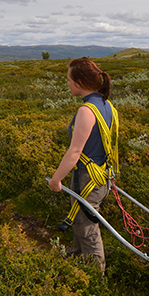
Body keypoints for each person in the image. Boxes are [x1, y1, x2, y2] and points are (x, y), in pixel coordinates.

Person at [48, 57, 118, 272]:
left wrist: (56, 179)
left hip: (88, 177)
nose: (68, 83)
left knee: (87, 224)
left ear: (79, 82)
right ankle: (78, 254)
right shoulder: (107, 106)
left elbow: (75, 151)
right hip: (101, 175)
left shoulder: (86, 111)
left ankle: (96, 274)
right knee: (80, 215)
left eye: (69, 79)